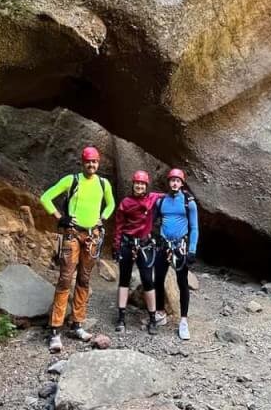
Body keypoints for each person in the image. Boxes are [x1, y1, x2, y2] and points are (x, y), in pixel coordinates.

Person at [39, 146, 115, 353]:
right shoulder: (71, 180)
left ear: (98, 163)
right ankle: (55, 329)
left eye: (95, 162)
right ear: (82, 163)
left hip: (92, 235)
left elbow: (111, 204)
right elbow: (45, 197)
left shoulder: (103, 183)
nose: (92, 165)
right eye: (88, 162)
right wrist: (59, 217)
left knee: (84, 278)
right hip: (72, 234)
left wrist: (103, 218)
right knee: (65, 278)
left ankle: (77, 323)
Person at [111, 170, 162, 334]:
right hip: (127, 244)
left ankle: (153, 318)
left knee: (148, 280)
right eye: (137, 183)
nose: (139, 186)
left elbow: (169, 196)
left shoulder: (153, 198)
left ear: (146, 186)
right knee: (124, 279)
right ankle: (121, 317)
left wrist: (184, 196)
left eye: (142, 184)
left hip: (145, 245)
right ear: (133, 184)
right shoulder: (125, 203)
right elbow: (118, 226)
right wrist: (116, 246)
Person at [153, 168, 199, 340]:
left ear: (182, 183)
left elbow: (194, 227)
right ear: (168, 182)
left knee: (182, 282)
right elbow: (153, 221)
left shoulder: (189, 202)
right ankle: (160, 312)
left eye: (177, 180)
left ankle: (184, 321)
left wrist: (192, 250)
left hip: (180, 246)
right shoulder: (161, 201)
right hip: (164, 245)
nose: (174, 183)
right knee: (158, 278)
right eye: (172, 180)